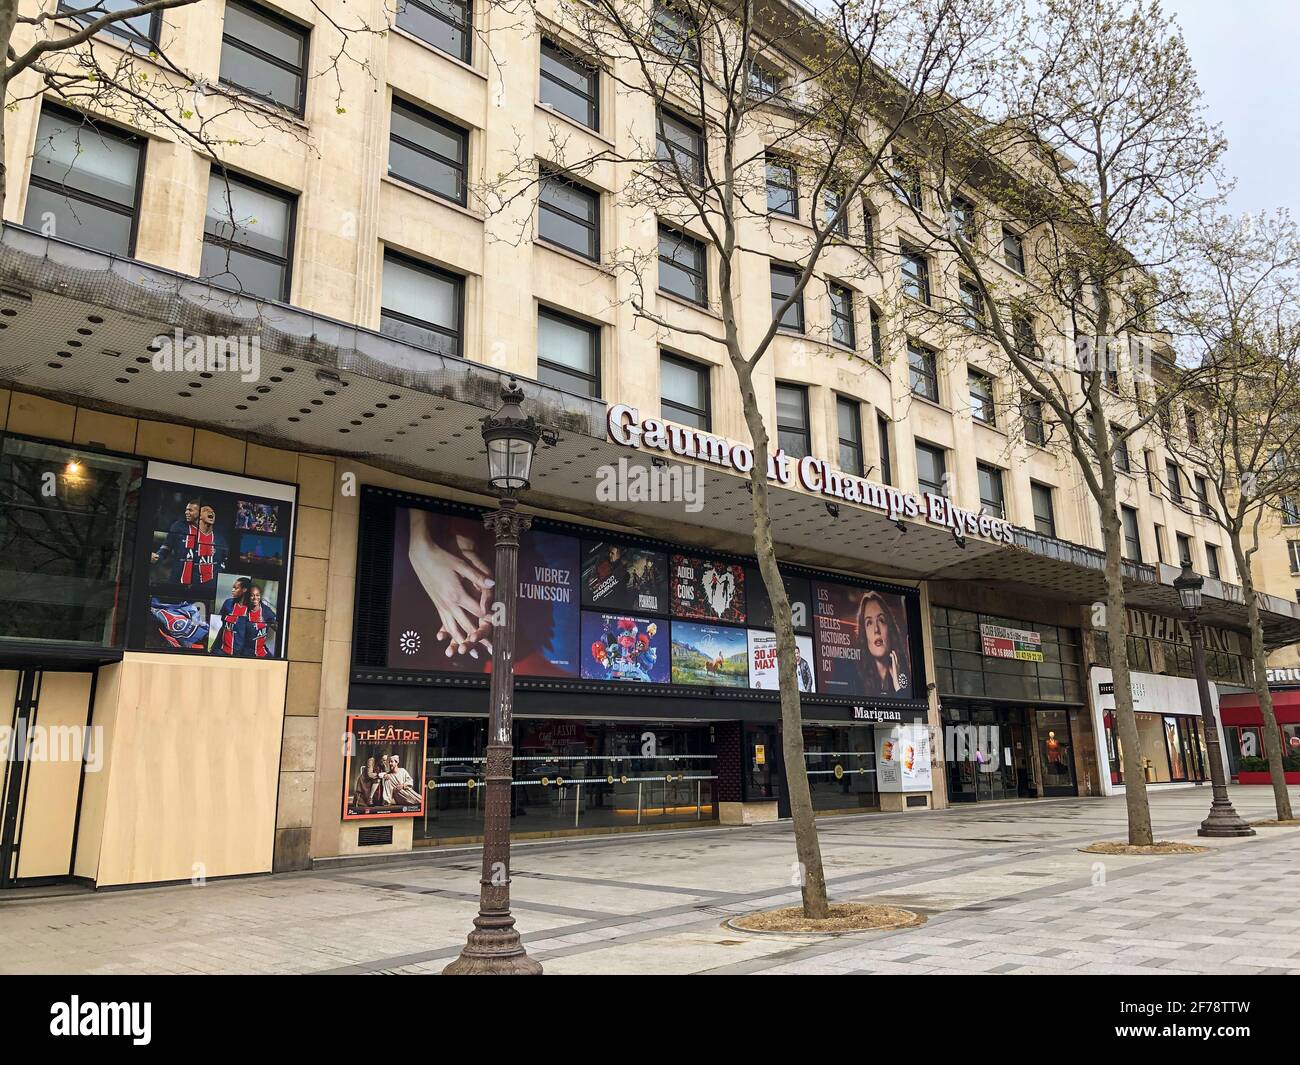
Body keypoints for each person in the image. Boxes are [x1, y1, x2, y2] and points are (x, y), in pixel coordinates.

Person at [856, 591, 909, 697]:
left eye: (881, 620)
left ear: (890, 629)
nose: (876, 629)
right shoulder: (855, 678)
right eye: (869, 623)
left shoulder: (906, 675)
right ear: (864, 634)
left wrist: (897, 683)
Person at [152, 500, 200, 578]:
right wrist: (157, 556)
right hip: (177, 577)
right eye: (186, 510)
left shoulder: (212, 532)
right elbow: (166, 548)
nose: (186, 512)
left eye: (190, 510)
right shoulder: (178, 526)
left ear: (200, 512)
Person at [211, 576, 251, 656]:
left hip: (239, 655)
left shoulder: (251, 609)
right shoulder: (228, 603)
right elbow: (222, 626)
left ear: (244, 590)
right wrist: (214, 647)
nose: (232, 590)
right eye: (233, 587)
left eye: (236, 588)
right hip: (220, 651)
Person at [244, 584, 278, 658]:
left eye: (257, 595)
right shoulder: (243, 611)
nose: (255, 598)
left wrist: (273, 624)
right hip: (245, 653)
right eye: (252, 595)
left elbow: (277, 627)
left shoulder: (266, 611)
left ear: (260, 596)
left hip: (262, 652)